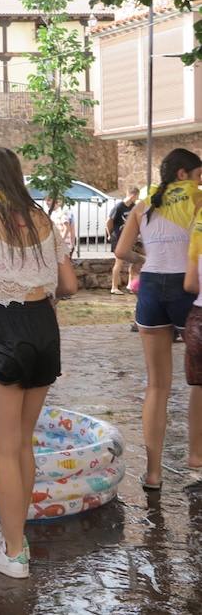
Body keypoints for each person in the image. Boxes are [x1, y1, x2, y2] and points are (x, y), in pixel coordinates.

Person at [0, 147, 77, 579]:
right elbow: (70, 284)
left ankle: (12, 552)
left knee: (4, 448)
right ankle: (12, 532)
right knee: (23, 441)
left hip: (5, 330)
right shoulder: (44, 221)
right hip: (45, 328)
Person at [116, 148, 202, 490]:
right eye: (198, 175)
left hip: (150, 286)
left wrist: (145, 257)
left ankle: (153, 473)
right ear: (183, 174)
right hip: (187, 288)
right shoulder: (195, 201)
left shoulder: (144, 205)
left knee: (156, 385)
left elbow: (121, 252)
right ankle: (197, 457)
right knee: (198, 381)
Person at [184, 208, 202, 471]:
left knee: (199, 388)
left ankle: (196, 454)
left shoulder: (198, 230)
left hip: (198, 319)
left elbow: (189, 284)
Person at [108, 186, 141, 294]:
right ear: (133, 196)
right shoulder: (119, 207)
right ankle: (114, 287)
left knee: (133, 261)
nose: (137, 199)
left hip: (128, 238)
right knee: (119, 262)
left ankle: (130, 285)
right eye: (137, 197)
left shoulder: (133, 207)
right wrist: (109, 234)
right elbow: (109, 221)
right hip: (118, 238)